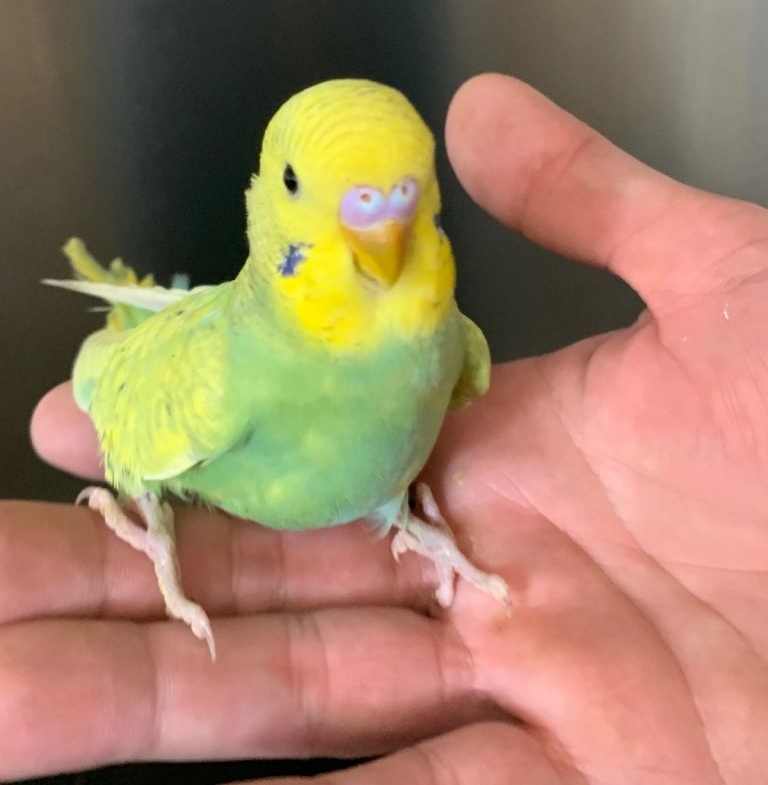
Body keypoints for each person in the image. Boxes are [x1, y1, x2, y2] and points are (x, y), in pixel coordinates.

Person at [7, 73, 766, 783]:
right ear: (269, 196)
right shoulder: (214, 378)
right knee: (147, 455)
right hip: (177, 373)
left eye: (405, 196)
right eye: (307, 188)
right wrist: (146, 518)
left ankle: (398, 510)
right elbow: (111, 393)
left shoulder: (453, 349)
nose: (377, 232)